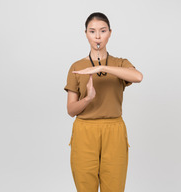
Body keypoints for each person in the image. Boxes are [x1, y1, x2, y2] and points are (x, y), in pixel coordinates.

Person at [64, 12, 143, 192]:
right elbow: (70, 110)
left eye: (102, 30)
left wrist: (103, 67)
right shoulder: (76, 67)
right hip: (85, 130)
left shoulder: (120, 63)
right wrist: (88, 98)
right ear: (86, 34)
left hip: (113, 130)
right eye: (92, 31)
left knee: (114, 186)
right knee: (85, 187)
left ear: (110, 32)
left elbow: (138, 76)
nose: (97, 36)